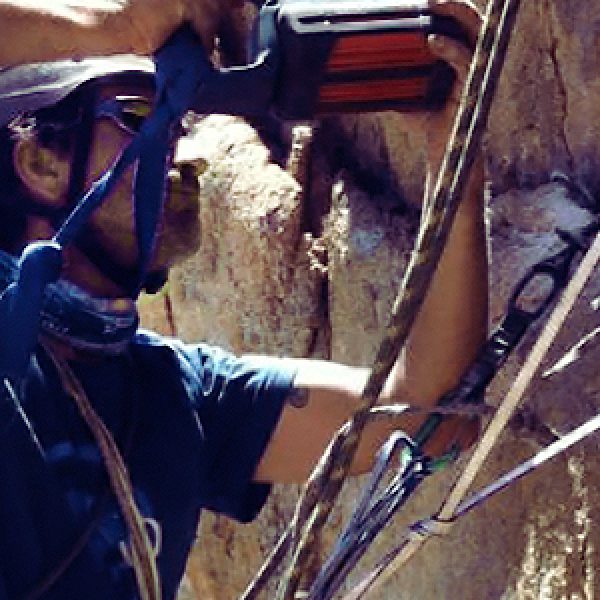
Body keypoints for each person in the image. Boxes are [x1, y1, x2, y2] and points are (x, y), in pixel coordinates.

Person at [0, 1, 487, 599]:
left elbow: (425, 416)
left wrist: (455, 169)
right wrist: (115, 28)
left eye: (181, 126)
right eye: (141, 114)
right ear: (40, 163)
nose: (185, 156)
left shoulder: (172, 395)